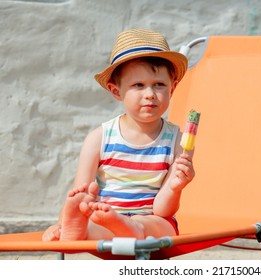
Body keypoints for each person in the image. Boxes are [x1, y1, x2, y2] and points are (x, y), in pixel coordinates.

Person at [42, 29, 194, 241]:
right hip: (108, 217)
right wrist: (61, 225)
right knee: (95, 223)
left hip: (150, 219)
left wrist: (176, 187)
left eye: (159, 84)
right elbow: (80, 193)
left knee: (160, 226)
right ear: (116, 91)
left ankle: (130, 228)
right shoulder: (100, 138)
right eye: (138, 85)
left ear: (172, 88)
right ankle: (79, 231)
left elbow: (162, 210)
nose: (150, 94)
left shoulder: (177, 140)